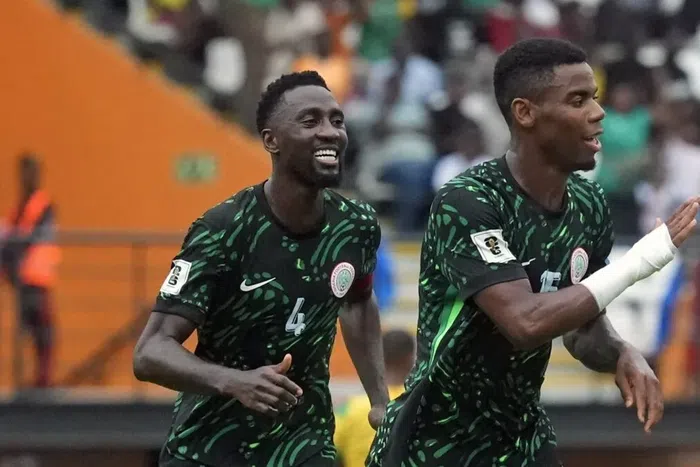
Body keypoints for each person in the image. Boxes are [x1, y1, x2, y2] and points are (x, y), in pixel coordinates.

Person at [366, 38, 700, 467]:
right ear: (525, 113)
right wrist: (640, 262)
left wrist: (621, 351)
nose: (598, 113)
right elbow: (524, 323)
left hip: (522, 439)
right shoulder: (468, 201)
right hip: (437, 440)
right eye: (578, 100)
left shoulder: (589, 204)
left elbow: (582, 328)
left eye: (594, 97)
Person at [133, 71, 390, 467]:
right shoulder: (223, 230)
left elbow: (357, 303)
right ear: (272, 141)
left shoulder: (356, 225)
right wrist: (236, 382)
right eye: (310, 121)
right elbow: (150, 352)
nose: (330, 132)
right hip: (209, 450)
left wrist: (379, 401)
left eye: (336, 120)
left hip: (304, 445)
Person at [1, 154, 60, 389]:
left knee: (42, 333)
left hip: (37, 279)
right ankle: (34, 382)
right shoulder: (23, 206)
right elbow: (14, 240)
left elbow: (21, 239)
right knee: (33, 332)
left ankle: (42, 381)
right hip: (27, 280)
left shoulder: (40, 205)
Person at [334, 329, 415, 467]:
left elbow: (334, 452)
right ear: (410, 358)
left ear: (379, 357)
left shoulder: (351, 407)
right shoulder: (417, 402)